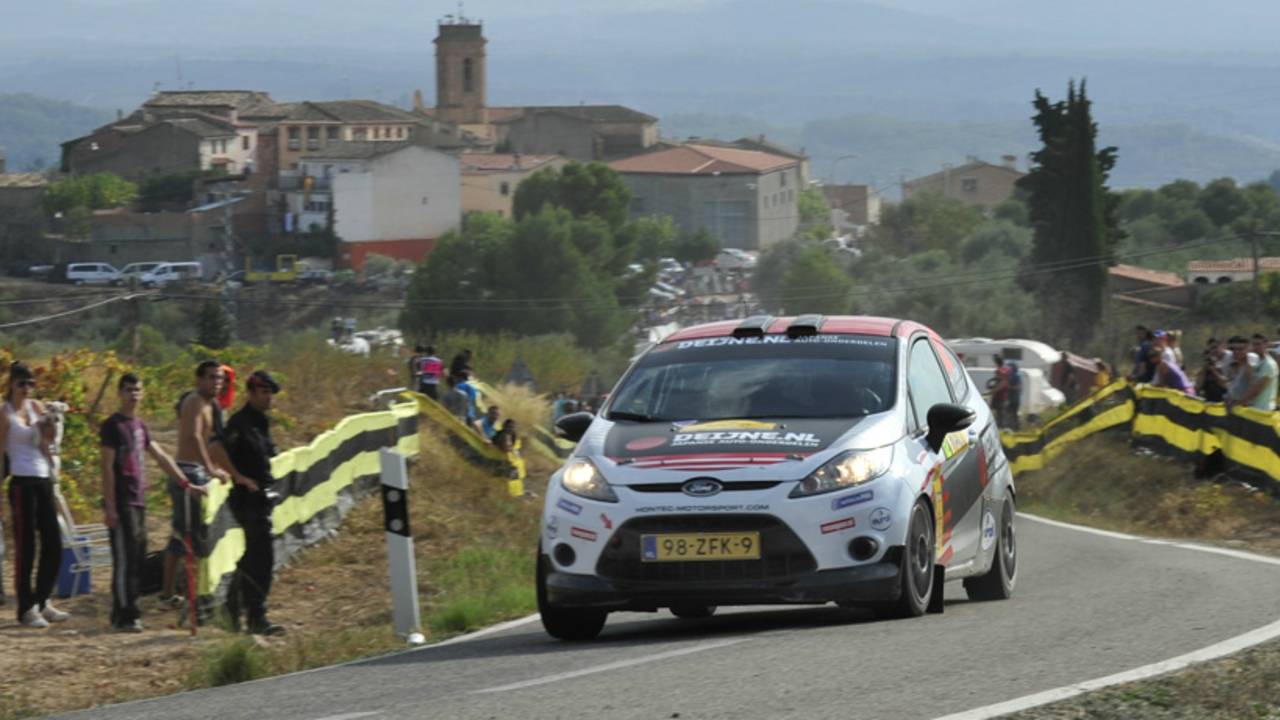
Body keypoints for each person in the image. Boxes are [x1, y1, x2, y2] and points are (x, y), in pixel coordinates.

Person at [100, 372, 193, 632]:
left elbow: (160, 456)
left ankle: (126, 611)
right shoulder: (112, 426)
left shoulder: (139, 426)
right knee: (125, 559)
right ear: (119, 393)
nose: (133, 395)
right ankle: (125, 614)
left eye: (137, 390)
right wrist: (109, 505)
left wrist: (186, 482)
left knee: (138, 558)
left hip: (138, 500)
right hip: (120, 500)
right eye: (129, 390)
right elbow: (106, 467)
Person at [212, 371, 285, 636]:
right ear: (251, 393)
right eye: (263, 392)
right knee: (261, 557)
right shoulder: (239, 423)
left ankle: (235, 607)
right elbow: (216, 450)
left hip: (261, 498)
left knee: (256, 556)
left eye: (270, 393)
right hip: (246, 499)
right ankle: (253, 614)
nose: (268, 398)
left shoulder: (260, 422)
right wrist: (239, 476)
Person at [1, 362, 69, 628]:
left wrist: (52, 422)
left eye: (31, 384)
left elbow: (48, 442)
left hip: (42, 479)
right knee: (26, 547)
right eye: (22, 384)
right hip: (21, 482)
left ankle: (42, 600)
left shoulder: (37, 407)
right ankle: (26, 608)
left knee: (54, 542)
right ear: (11, 384)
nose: (27, 389)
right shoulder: (5, 413)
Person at [160, 361, 232, 608]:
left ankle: (192, 590)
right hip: (187, 472)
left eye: (220, 378)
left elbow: (212, 441)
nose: (216, 383)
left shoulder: (212, 405)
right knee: (183, 535)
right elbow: (194, 437)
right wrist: (211, 469)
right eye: (212, 378)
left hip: (199, 471)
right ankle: (170, 594)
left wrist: (216, 467)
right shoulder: (193, 402)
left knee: (196, 534)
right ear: (199, 379)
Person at [1237, 333, 1278, 411]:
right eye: (1253, 344)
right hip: (1253, 409)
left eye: (1258, 344)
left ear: (1266, 345)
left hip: (1263, 411)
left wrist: (1239, 403)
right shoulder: (1255, 362)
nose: (1255, 347)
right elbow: (1249, 383)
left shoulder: (1269, 364)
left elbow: (1256, 389)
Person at [1224, 336, 1261, 410]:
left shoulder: (1250, 365)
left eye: (1240, 349)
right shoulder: (1234, 364)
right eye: (1234, 349)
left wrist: (1238, 404)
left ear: (1248, 350)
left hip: (1245, 409)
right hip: (1233, 406)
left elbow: (1253, 388)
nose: (1236, 351)